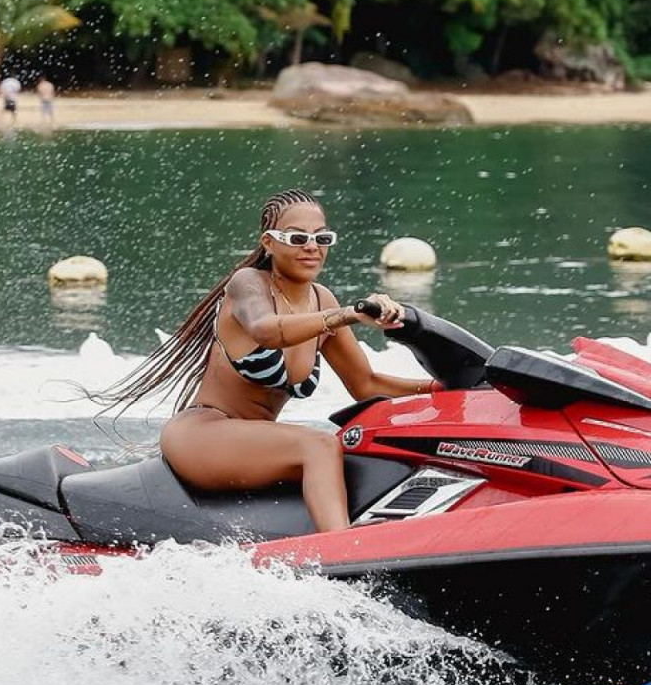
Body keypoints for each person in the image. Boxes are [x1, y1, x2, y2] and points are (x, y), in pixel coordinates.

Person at [101, 188, 435, 532]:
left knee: (354, 448)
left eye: (322, 237)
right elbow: (267, 330)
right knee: (320, 445)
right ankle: (344, 553)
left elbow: (366, 384)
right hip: (202, 434)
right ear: (268, 242)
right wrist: (346, 315)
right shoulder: (247, 284)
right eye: (297, 237)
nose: (312, 246)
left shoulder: (322, 300)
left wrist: (444, 388)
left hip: (254, 438)